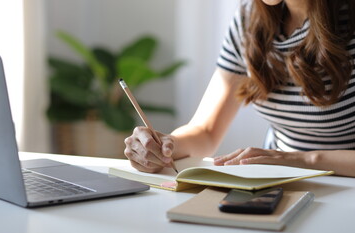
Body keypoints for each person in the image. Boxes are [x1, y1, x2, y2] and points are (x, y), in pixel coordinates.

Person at [124, 0, 355, 177]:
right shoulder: (249, 20)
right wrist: (165, 147)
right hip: (282, 181)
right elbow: (206, 130)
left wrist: (302, 160)